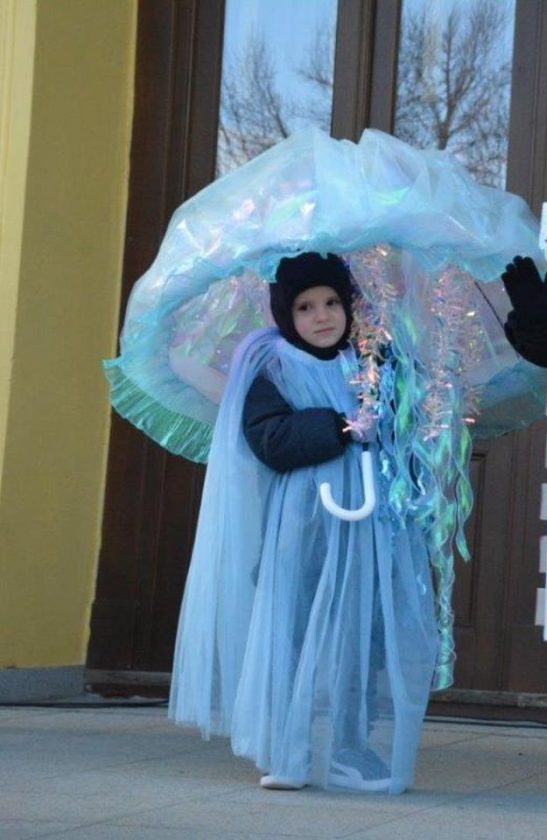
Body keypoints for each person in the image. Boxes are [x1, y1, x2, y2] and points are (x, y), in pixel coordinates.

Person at [170, 251, 438, 794]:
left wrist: (389, 419)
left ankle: (349, 744)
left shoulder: (377, 358)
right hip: (304, 523)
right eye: (306, 306)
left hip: (372, 524)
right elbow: (268, 438)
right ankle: (287, 744)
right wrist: (336, 427)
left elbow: (410, 423)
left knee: (362, 633)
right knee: (292, 627)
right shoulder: (270, 367)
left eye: (333, 302)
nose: (322, 316)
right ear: (284, 314)